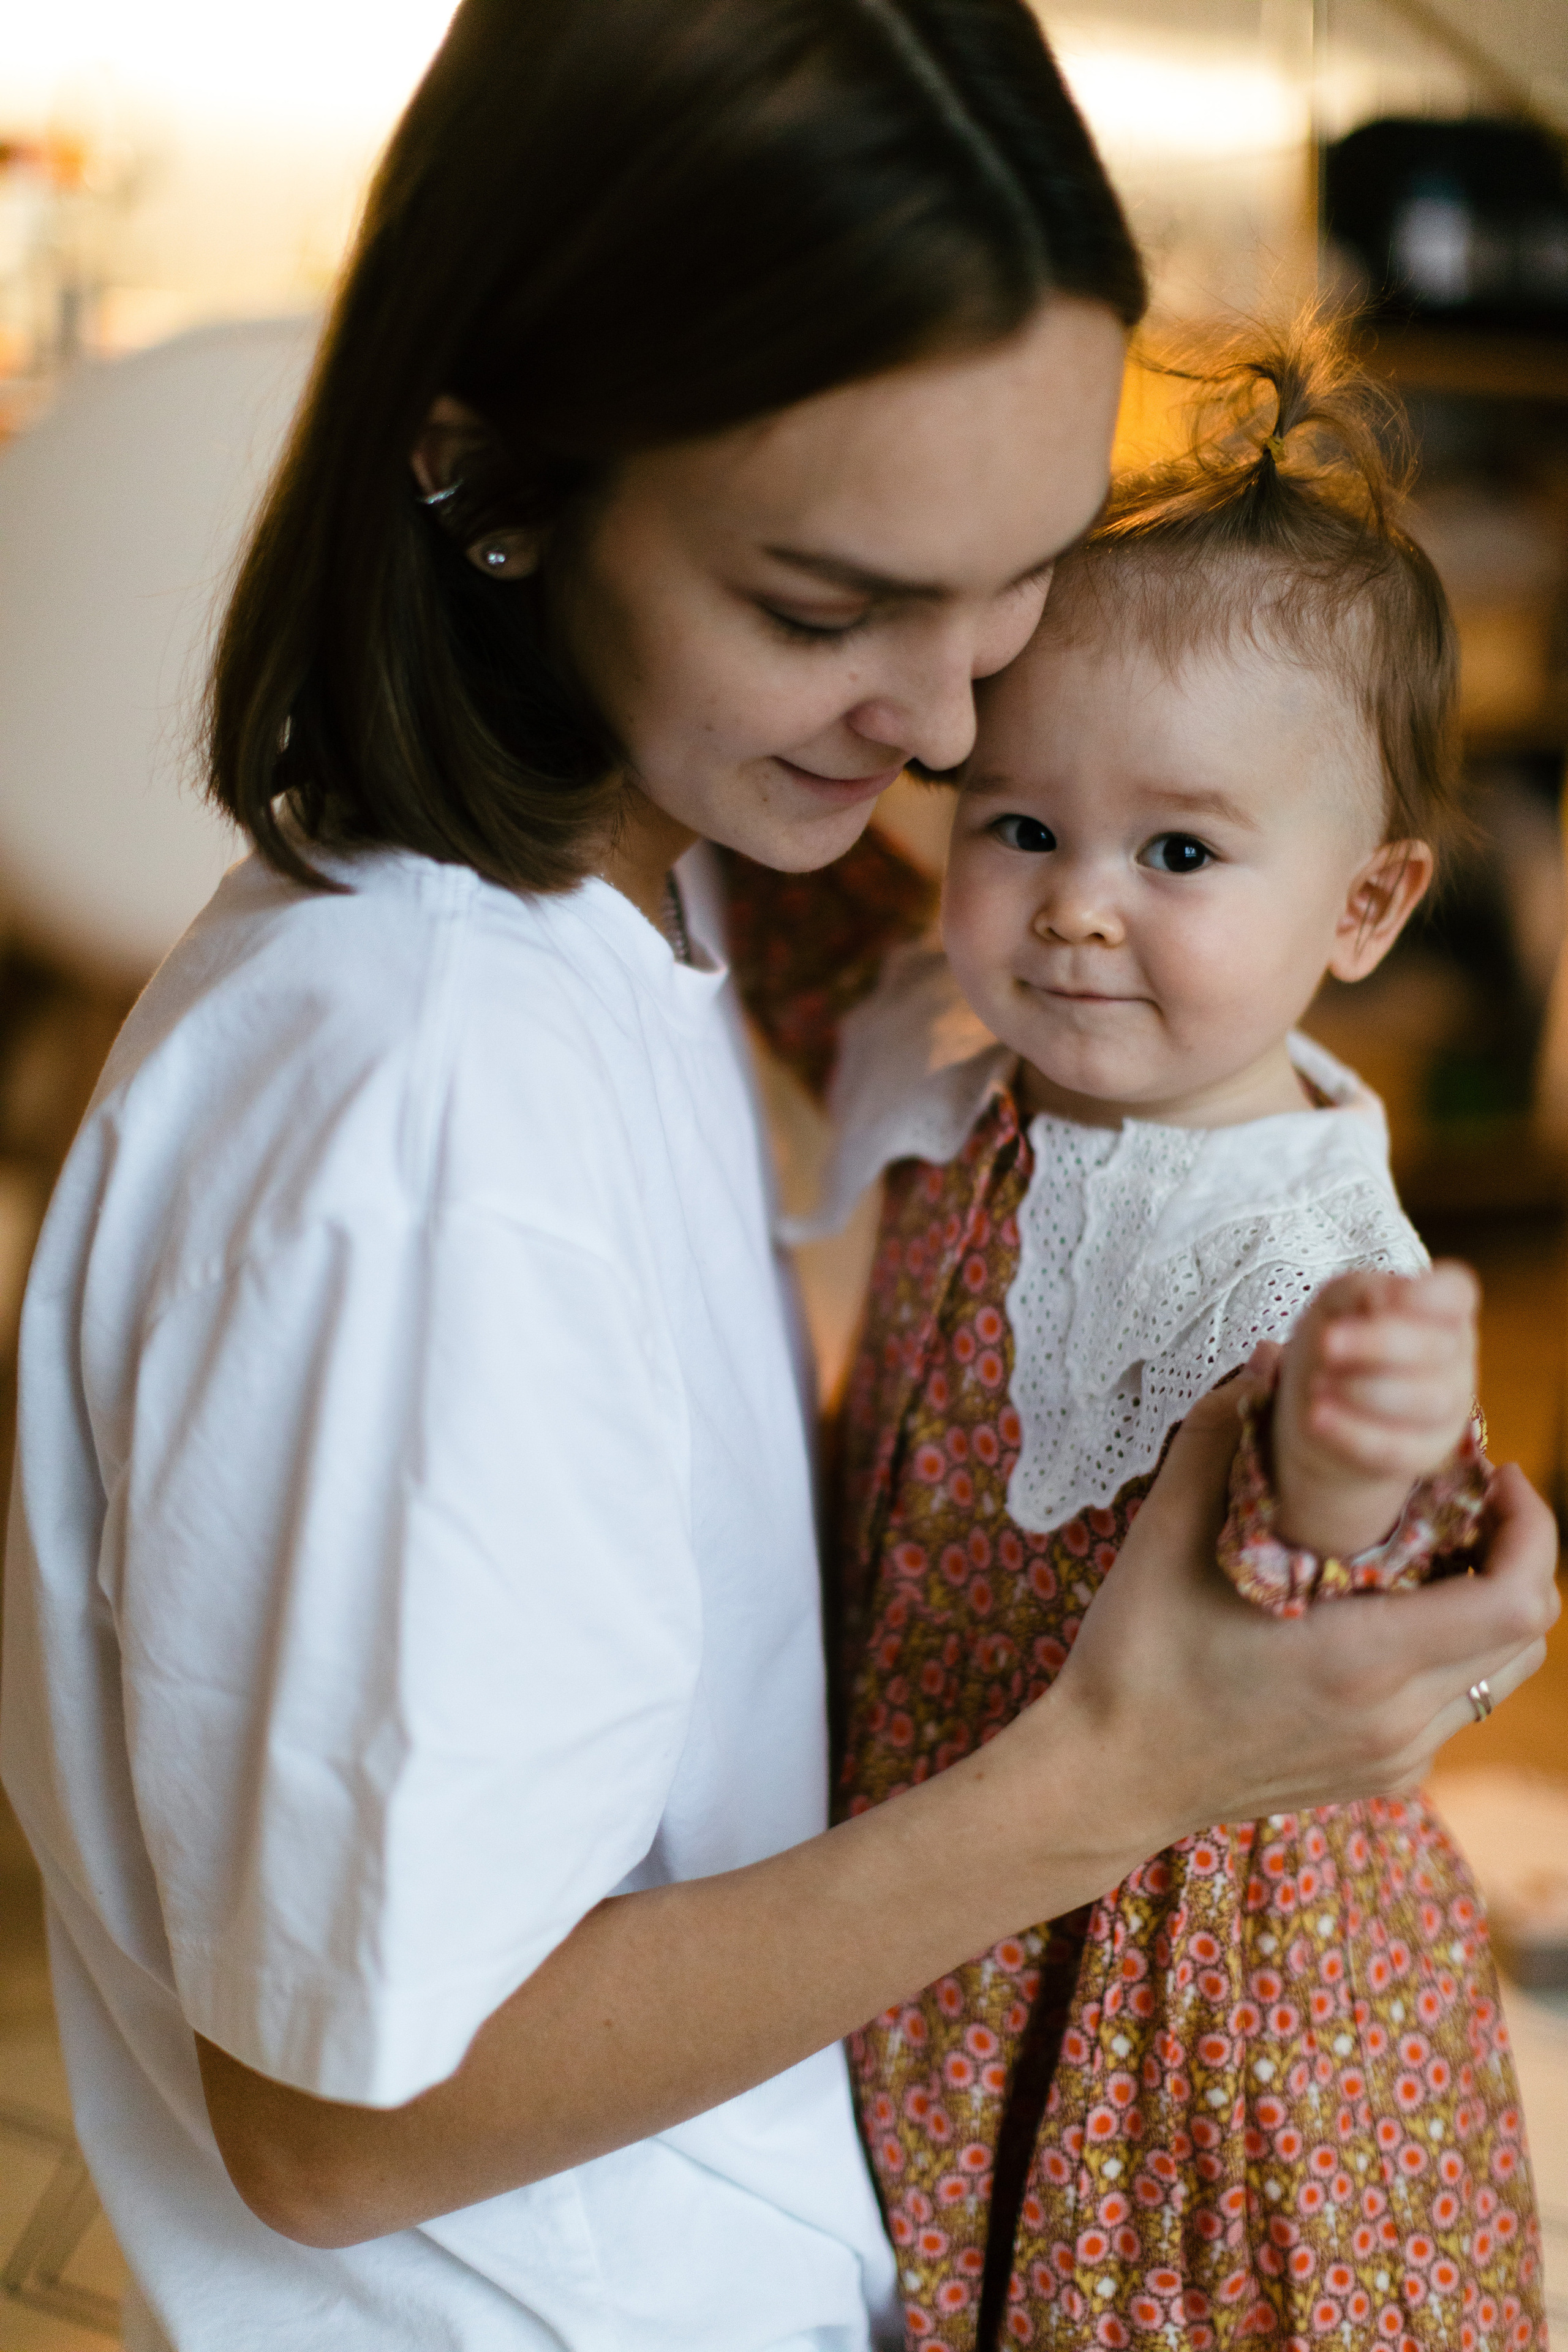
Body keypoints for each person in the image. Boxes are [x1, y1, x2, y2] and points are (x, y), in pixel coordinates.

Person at [0, 6, 1554, 2349]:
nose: (950, 735)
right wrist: (1131, 1767)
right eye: (829, 611)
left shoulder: (681, 879)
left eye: (1011, 582)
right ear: (488, 476)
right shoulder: (423, 1119)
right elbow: (344, 2134)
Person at [774, 326, 1547, 2349]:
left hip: (1163, 1932)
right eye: (1021, 827)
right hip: (953, 1829)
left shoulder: (1300, 1241)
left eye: (1180, 853)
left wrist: (1358, 1456)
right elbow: (797, 950)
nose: (1077, 909)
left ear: (1365, 904)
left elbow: (1342, 1564)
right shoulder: (973, 1045)